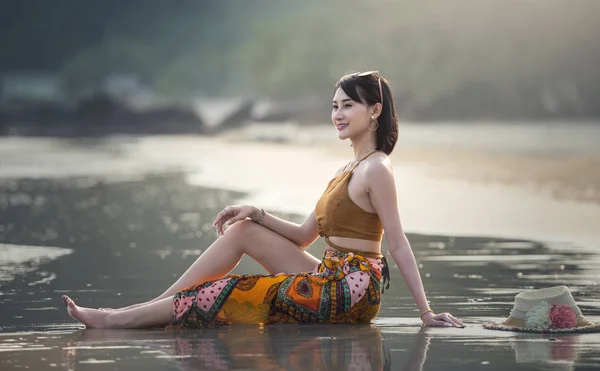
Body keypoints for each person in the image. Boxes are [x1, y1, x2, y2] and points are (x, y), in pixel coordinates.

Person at [62, 71, 464, 329]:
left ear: (375, 110)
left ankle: (120, 319)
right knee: (242, 230)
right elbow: (306, 235)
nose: (338, 114)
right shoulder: (346, 169)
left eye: (348, 105)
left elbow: (397, 243)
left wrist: (425, 312)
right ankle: (152, 306)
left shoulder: (377, 168)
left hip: (351, 291)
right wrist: (258, 213)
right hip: (329, 273)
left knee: (226, 290)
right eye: (334, 106)